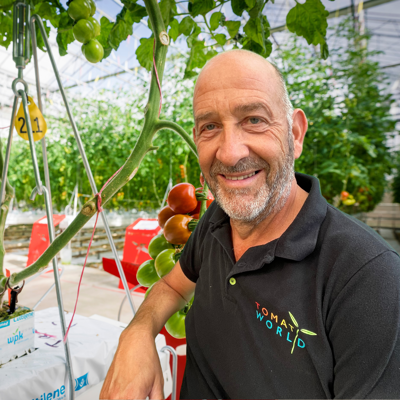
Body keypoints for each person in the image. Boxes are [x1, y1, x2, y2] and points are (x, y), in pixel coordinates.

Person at [100, 50, 400, 399]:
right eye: (210, 126)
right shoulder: (216, 221)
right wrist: (138, 332)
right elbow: (172, 286)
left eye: (254, 119)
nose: (229, 153)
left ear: (295, 133)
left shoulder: (368, 279)